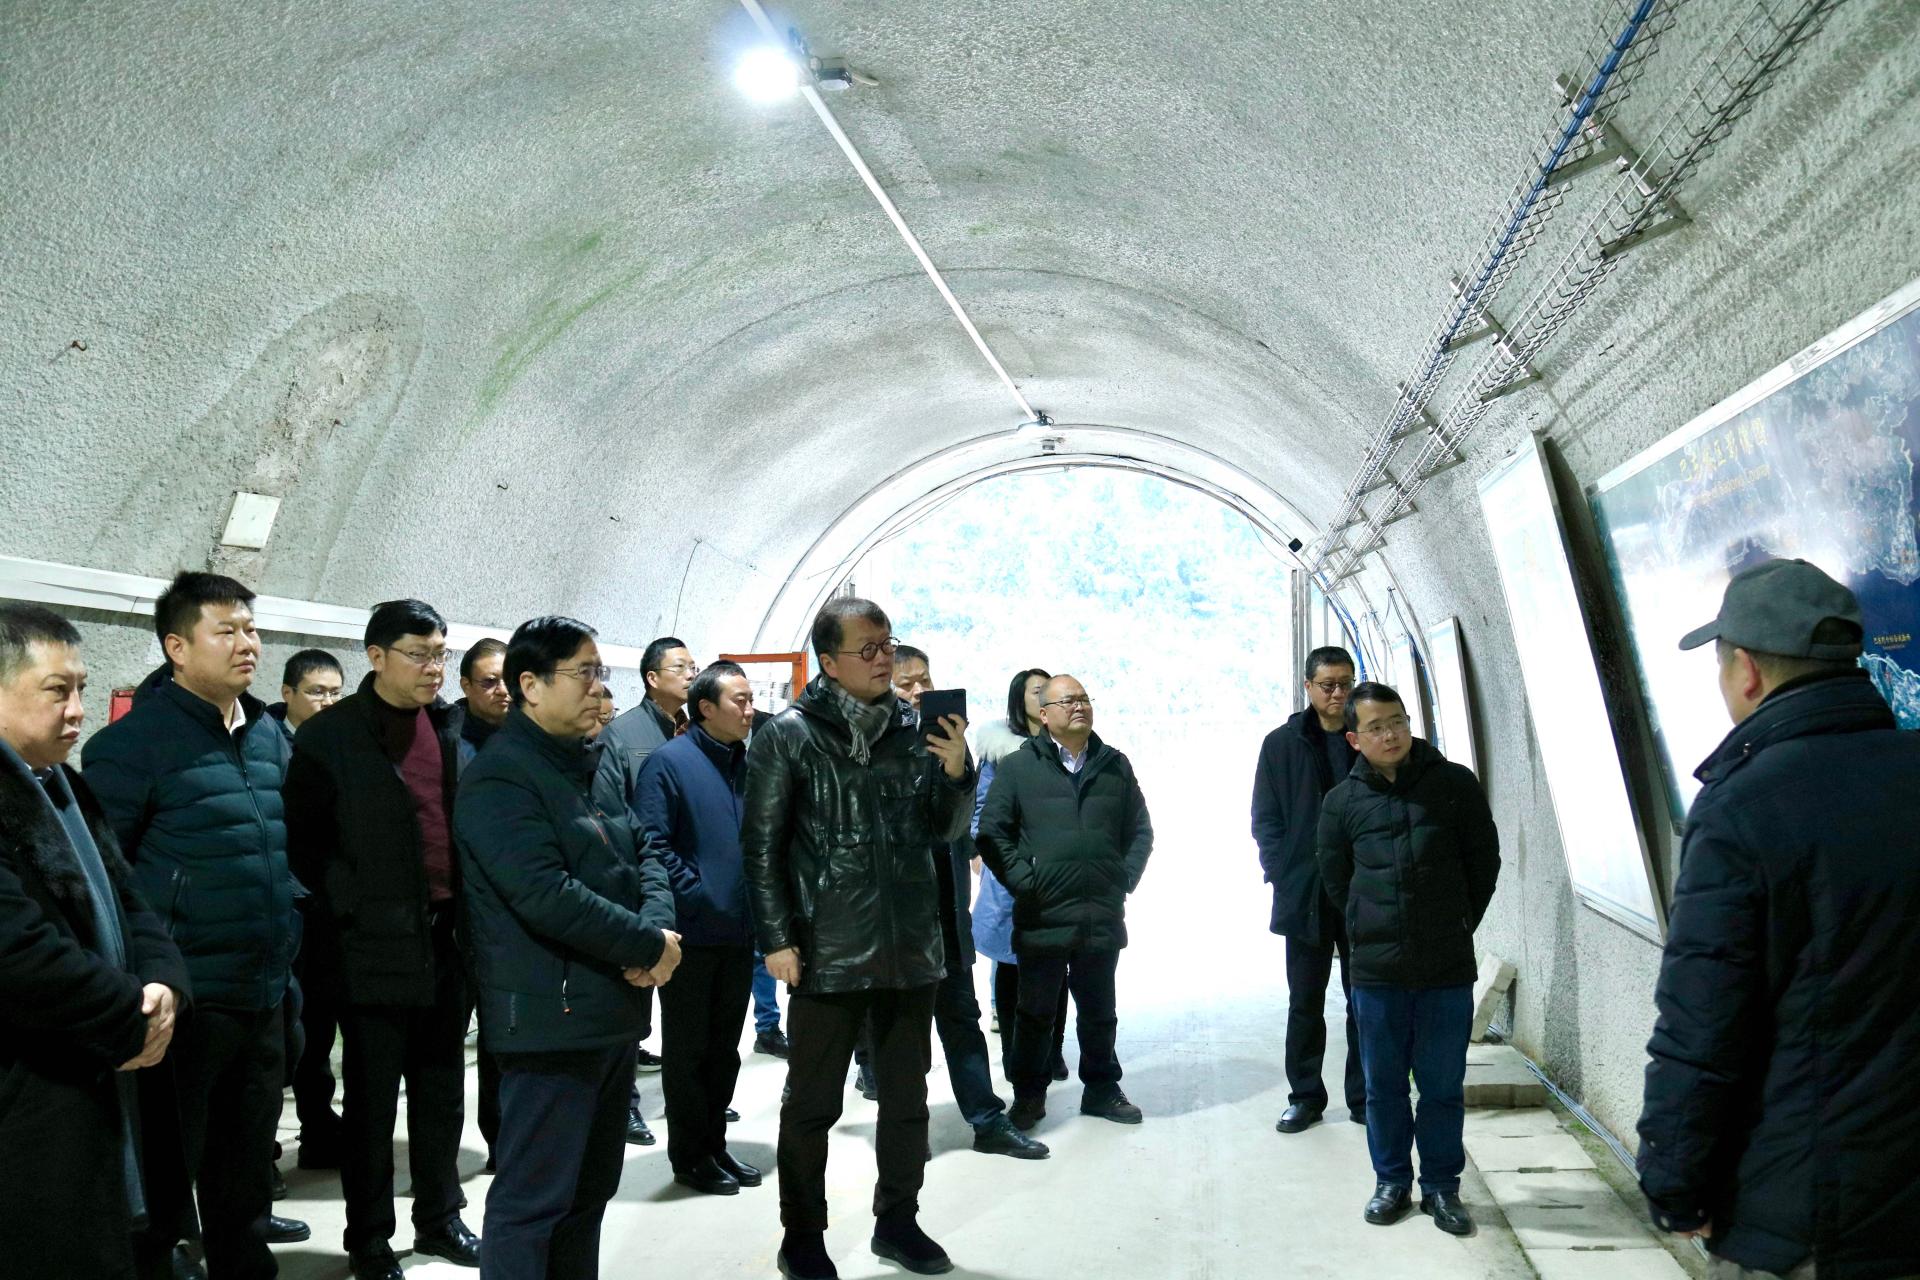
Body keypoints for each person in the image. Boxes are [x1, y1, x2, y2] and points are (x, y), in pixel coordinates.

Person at [1637, 559, 1920, 1280]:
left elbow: (1704, 1026)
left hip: (1801, 1216)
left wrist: (1675, 1185)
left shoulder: (1742, 808)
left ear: (1748, 673)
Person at [742, 598, 974, 1280]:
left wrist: (957, 772)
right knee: (812, 1104)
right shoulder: (789, 735)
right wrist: (776, 938)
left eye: (888, 645)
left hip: (910, 943)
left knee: (907, 1099)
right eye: (868, 649)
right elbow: (761, 847)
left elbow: (944, 829)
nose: (883, 659)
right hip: (828, 946)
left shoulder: (914, 729)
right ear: (829, 661)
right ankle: (802, 1236)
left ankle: (898, 1221)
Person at [84, 571, 303, 1278]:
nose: (247, 644)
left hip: (262, 984)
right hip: (186, 993)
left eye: (251, 629)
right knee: (167, 1162)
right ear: (177, 647)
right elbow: (109, 878)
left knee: (246, 1156)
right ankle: (161, 1260)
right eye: (226, 631)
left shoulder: (267, 733)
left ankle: (244, 1263)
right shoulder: (133, 744)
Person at [456, 615, 682, 1280]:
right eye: (583, 673)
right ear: (530, 685)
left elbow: (644, 849)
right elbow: (545, 894)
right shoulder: (501, 777)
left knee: (589, 1193)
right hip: (549, 1022)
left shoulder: (595, 759)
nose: (597, 688)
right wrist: (647, 943)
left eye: (599, 673)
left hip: (609, 1010)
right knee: (534, 1203)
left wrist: (659, 930)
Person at [282, 600, 480, 1278]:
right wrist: (352, 907)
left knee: (441, 1088)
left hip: (446, 939)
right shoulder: (330, 736)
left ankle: (440, 1218)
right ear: (375, 656)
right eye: (419, 654)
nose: (434, 668)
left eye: (441, 654)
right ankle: (368, 1237)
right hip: (369, 947)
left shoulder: (448, 726)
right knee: (370, 1102)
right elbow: (304, 844)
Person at [0, 602, 193, 1280]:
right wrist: (130, 1019)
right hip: (35, 1086)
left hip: (107, 1063)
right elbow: (17, 955)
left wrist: (165, 983)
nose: (78, 710)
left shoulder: (64, 784)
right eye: (58, 691)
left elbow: (130, 900)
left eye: (82, 688)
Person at [1317, 682, 1499, 1237]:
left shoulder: (1453, 785)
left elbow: (1483, 863)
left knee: (1442, 1085)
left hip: (1446, 967)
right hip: (1377, 973)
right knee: (1384, 1086)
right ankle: (1391, 1181)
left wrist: (1457, 922)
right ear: (1354, 739)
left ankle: (1442, 1187)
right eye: (1375, 727)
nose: (1391, 734)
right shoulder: (1342, 803)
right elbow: (1337, 880)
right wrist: (1367, 928)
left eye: (1397, 721)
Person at [976, 674, 1153, 1135]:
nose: (1078, 707)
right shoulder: (1019, 767)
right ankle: (1029, 1096)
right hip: (1043, 913)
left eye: (1084, 699)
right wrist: (1025, 882)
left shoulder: (1114, 764)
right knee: (1035, 1014)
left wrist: (1123, 877)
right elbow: (992, 832)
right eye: (1067, 701)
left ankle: (1102, 1089)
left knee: (1100, 1011)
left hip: (1100, 912)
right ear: (1045, 713)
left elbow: (1140, 830)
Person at [890, 645, 1045, 1160]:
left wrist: (957, 767)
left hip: (946, 909)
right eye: (905, 683)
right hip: (896, 919)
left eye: (925, 681)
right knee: (904, 1034)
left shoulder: (950, 744)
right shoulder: (873, 745)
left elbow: (963, 819)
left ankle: (987, 1120)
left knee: (962, 1018)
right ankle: (906, 1129)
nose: (918, 691)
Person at [630, 661, 765, 1193]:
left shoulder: (746, 763)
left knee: (725, 1049)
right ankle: (689, 1157)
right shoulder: (669, 763)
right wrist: (700, 895)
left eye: (751, 699)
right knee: (689, 1051)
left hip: (739, 930)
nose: (750, 709)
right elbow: (653, 844)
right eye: (739, 700)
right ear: (706, 708)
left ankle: (715, 1145)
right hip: (690, 935)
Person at [1253, 645, 1368, 1134]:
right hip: (1306, 891)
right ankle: (1305, 1096)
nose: (1338, 693)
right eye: (1328, 685)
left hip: (1364, 891)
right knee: (1305, 1000)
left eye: (1345, 683)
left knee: (1365, 1000)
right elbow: (1265, 818)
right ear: (1308, 686)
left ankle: (1365, 1097)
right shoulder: (1282, 744)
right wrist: (1282, 871)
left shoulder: (1365, 737)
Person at [594, 635, 700, 1134]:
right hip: (644, 884)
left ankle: (691, 1097)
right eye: (680, 667)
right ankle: (627, 1104)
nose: (691, 674)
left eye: (694, 666)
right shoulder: (624, 733)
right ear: (652, 678)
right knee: (635, 995)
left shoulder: (700, 728)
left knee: (687, 1007)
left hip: (691, 885)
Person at [970, 668, 1069, 1081]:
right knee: (1011, 965)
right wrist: (984, 851)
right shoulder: (999, 750)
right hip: (1011, 871)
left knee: (1056, 966)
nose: (1045, 696)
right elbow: (981, 808)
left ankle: (1053, 1051)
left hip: (1059, 873)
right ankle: (1015, 1054)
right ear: (1020, 700)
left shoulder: (1069, 746)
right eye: (1036, 691)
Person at [456, 637, 511, 767]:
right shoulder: (447, 737)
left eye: (510, 679)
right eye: (490, 681)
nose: (503, 690)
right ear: (466, 686)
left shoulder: (533, 731)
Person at [268, 649, 344, 739]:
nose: (329, 702)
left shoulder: (346, 739)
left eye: (335, 693)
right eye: (318, 692)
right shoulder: (262, 736)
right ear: (287, 693)